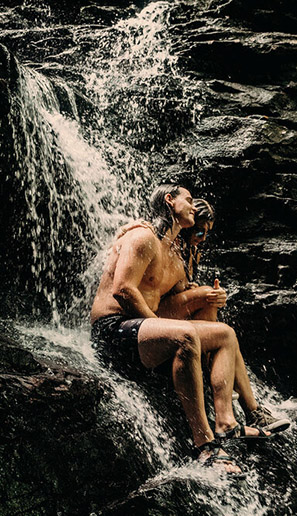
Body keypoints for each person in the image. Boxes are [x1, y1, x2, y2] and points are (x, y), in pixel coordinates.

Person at [90, 184, 271, 479]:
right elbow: (123, 290)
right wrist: (157, 325)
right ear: (169, 200)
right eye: (188, 199)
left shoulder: (173, 252)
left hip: (141, 332)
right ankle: (205, 446)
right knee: (185, 335)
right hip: (112, 331)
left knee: (225, 334)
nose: (193, 205)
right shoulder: (142, 236)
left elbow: (180, 300)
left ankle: (226, 421)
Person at [156, 198, 291, 434]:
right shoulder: (168, 243)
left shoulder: (191, 252)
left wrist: (196, 290)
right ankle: (244, 404)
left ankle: (253, 410)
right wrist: (199, 292)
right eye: (199, 230)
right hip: (154, 319)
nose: (202, 237)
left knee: (218, 317)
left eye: (206, 233)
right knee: (209, 298)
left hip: (173, 316)